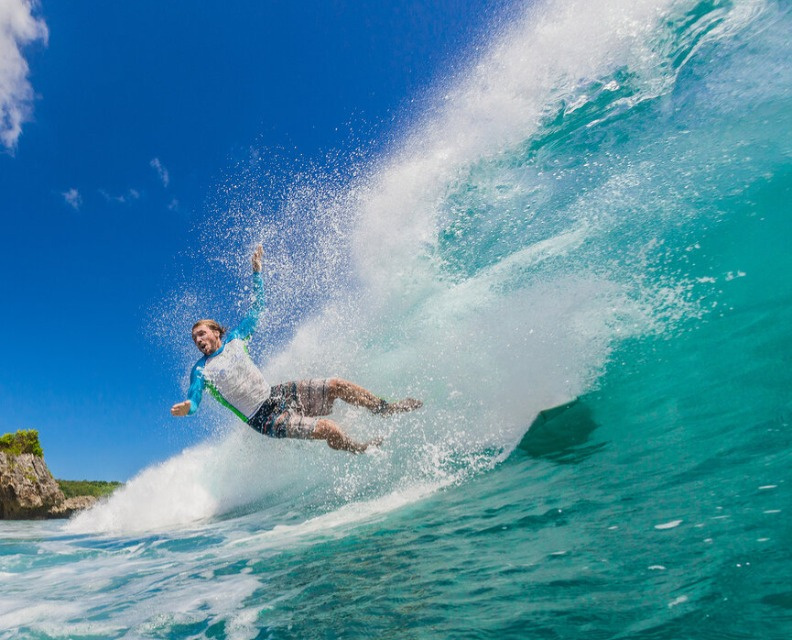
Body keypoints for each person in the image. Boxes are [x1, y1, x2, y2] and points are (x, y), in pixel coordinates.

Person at [170, 245, 422, 453]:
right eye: (194, 338)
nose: (198, 340)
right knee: (329, 429)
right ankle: (360, 449)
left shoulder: (236, 339)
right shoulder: (201, 371)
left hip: (275, 394)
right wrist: (188, 408)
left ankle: (384, 408)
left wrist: (257, 273)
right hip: (262, 418)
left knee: (337, 385)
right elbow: (194, 399)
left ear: (216, 332)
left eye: (201, 333)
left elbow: (258, 308)